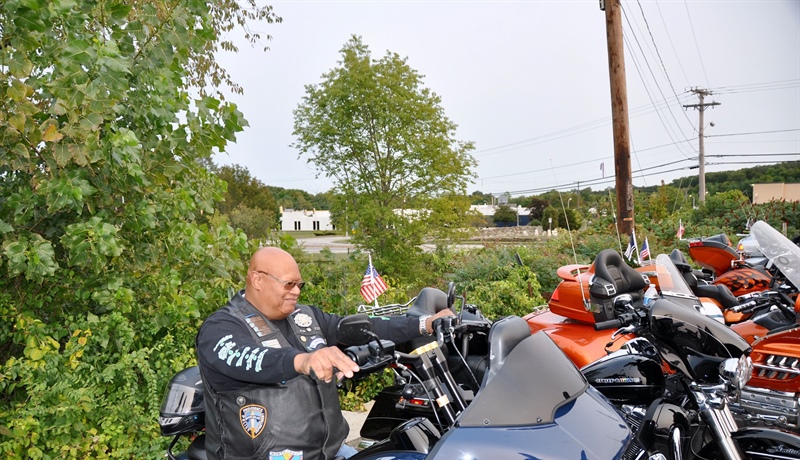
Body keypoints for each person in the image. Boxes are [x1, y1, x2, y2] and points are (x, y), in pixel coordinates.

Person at [196, 247, 453, 460]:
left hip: (332, 451)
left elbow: (367, 328)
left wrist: (425, 324)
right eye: (288, 284)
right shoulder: (221, 327)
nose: (296, 291)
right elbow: (247, 357)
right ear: (257, 280)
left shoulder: (307, 317)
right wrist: (302, 360)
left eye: (299, 284)